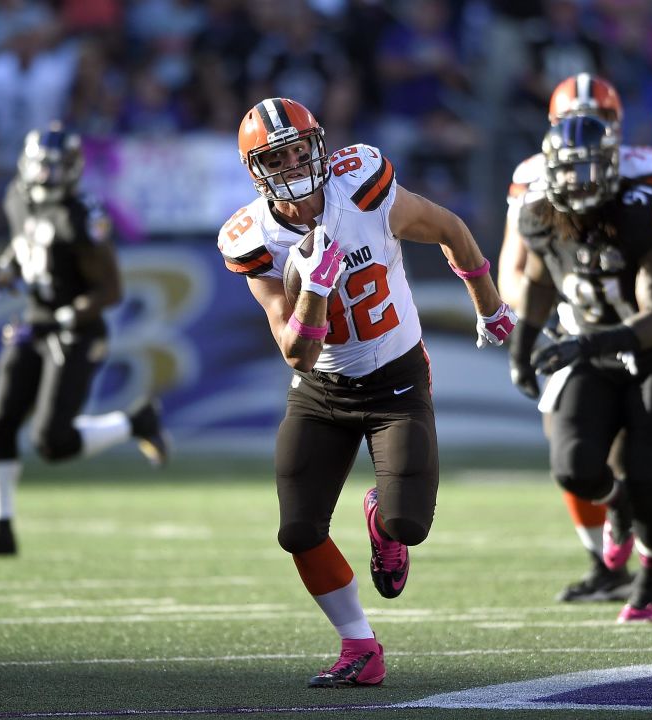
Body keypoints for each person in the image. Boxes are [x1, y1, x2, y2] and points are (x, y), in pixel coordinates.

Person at [219, 98, 514, 687]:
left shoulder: (360, 187)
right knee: (298, 531)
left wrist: (491, 306)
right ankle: (359, 645)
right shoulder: (253, 237)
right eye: (281, 156)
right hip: (320, 389)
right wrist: (315, 290)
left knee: (409, 525)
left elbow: (450, 229)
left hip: (395, 379)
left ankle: (381, 521)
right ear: (256, 169)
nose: (299, 162)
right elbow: (296, 351)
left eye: (303, 147)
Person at [498, 73, 652, 602]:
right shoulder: (536, 203)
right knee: (574, 461)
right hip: (580, 334)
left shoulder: (644, 198)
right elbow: (527, 274)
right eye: (566, 170)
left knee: (643, 467)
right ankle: (607, 554)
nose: (576, 182)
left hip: (649, 345)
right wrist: (523, 341)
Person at [0, 122, 170, 559]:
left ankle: (136, 421)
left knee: (53, 442)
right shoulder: (17, 196)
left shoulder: (80, 216)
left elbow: (110, 291)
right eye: (38, 167)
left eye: (53, 168)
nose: (43, 176)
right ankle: (0, 532)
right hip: (36, 319)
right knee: (0, 420)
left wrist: (58, 320)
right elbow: (24, 244)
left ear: (71, 170)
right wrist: (6, 268)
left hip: (77, 329)